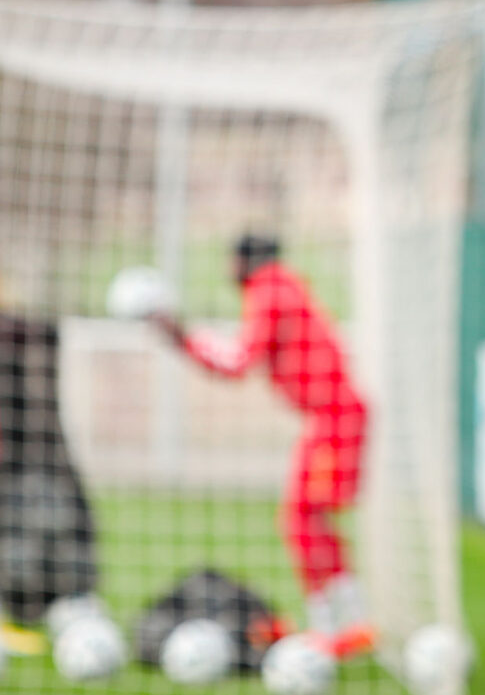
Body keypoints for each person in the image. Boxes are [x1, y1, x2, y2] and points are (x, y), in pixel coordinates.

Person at [151, 234, 372, 656]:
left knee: (300, 518)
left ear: (244, 261)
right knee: (309, 519)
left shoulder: (268, 289)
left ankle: (332, 626)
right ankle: (351, 621)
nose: (227, 271)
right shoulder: (282, 286)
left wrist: (183, 338)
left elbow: (237, 362)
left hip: (335, 417)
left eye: (230, 262)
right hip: (333, 416)